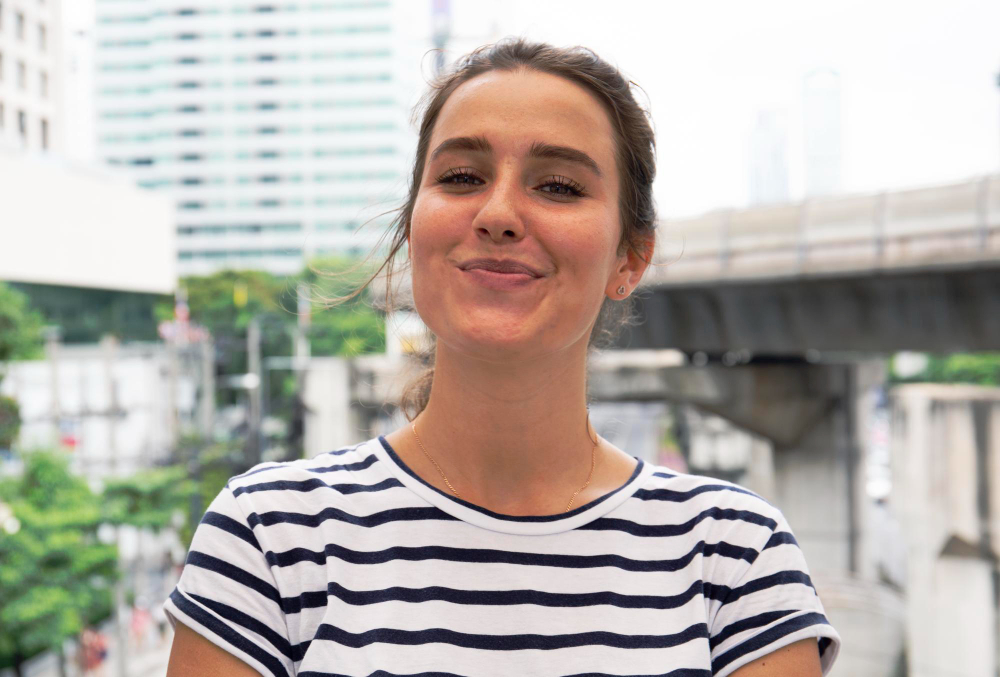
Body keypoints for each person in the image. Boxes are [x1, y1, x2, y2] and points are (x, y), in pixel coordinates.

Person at [164, 38, 841, 676]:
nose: (498, 213)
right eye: (461, 176)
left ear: (630, 257)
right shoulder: (269, 536)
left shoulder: (735, 555)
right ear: (412, 229)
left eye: (559, 186)